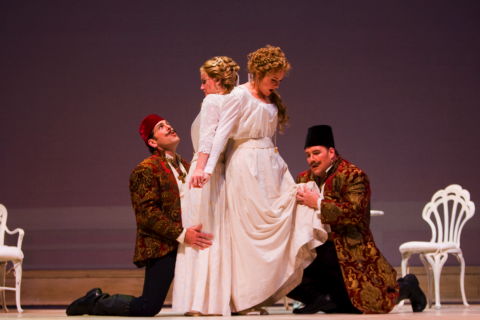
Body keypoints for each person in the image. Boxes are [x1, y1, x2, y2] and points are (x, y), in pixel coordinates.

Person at [195, 45, 328, 314]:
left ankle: (268, 292)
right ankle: (245, 299)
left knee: (292, 211)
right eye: (273, 79)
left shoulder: (271, 99)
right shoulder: (238, 96)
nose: (277, 84)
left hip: (272, 165)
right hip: (246, 166)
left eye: (280, 79)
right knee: (248, 235)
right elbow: (220, 135)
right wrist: (206, 168)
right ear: (257, 73)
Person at [66, 114, 213, 317]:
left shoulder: (186, 166)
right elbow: (147, 214)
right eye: (161, 127)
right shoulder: (145, 169)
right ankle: (95, 302)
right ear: (153, 142)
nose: (169, 127)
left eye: (168, 124)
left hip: (188, 241)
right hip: (163, 244)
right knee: (148, 307)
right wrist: (182, 234)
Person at [289, 124, 427, 314]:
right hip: (315, 248)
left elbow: (355, 213)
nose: (311, 159)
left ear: (331, 152)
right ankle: (322, 299)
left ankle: (408, 286)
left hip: (347, 249)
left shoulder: (353, 175)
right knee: (282, 270)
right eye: (308, 155)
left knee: (365, 304)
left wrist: (318, 203)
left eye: (316, 153)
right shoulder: (303, 178)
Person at [172, 56, 240, 316]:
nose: (201, 87)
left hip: (205, 175)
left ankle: (198, 301)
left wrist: (199, 169)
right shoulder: (232, 102)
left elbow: (208, 138)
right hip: (220, 176)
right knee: (217, 233)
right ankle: (217, 299)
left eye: (204, 81)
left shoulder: (213, 100)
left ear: (218, 80)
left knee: (202, 232)